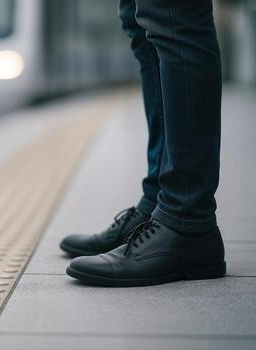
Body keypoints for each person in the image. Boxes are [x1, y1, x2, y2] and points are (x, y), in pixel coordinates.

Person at [61, 0, 226, 287]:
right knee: (138, 17)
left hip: (188, 220)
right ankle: (159, 202)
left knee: (172, 12)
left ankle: (186, 219)